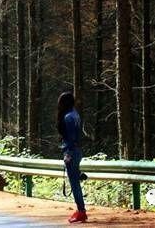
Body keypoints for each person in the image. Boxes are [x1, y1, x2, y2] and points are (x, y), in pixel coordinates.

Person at [57, 91, 87, 223]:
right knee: (75, 181)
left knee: (74, 184)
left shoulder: (67, 117)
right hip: (77, 151)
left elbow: (71, 137)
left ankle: (81, 211)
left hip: (71, 151)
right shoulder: (75, 115)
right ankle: (81, 210)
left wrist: (68, 153)